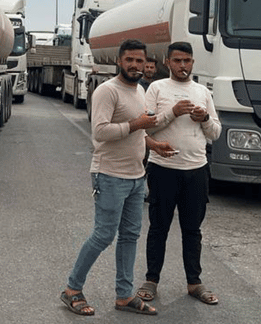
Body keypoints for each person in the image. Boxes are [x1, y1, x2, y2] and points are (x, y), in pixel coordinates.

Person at [61, 39, 160, 316]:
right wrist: (137, 124)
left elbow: (138, 133)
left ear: (146, 63)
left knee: (129, 236)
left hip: (136, 176)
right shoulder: (107, 91)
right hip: (109, 175)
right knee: (104, 235)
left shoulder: (140, 90)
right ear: (119, 61)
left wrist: (154, 145)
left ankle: (124, 296)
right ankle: (72, 289)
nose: (135, 65)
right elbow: (101, 132)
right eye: (129, 60)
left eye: (139, 60)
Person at [136, 42, 221, 306]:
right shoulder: (157, 88)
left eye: (187, 61)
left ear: (193, 62)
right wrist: (173, 113)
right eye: (177, 60)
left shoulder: (202, 91)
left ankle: (194, 283)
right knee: (158, 227)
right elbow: (146, 128)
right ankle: (151, 280)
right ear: (167, 62)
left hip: (196, 170)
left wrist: (204, 118)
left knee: (192, 230)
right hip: (163, 170)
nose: (182, 65)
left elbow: (216, 133)